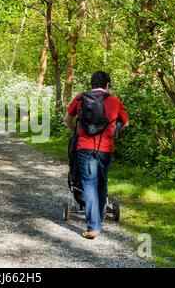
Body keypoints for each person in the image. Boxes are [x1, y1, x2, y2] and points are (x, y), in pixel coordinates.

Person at [64, 71, 129, 239]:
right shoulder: (115, 101)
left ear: (91, 84)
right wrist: (115, 133)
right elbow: (125, 123)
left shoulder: (80, 98)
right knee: (102, 183)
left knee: (89, 184)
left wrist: (76, 133)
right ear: (107, 85)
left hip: (84, 148)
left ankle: (94, 226)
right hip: (106, 149)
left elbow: (67, 119)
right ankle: (98, 220)